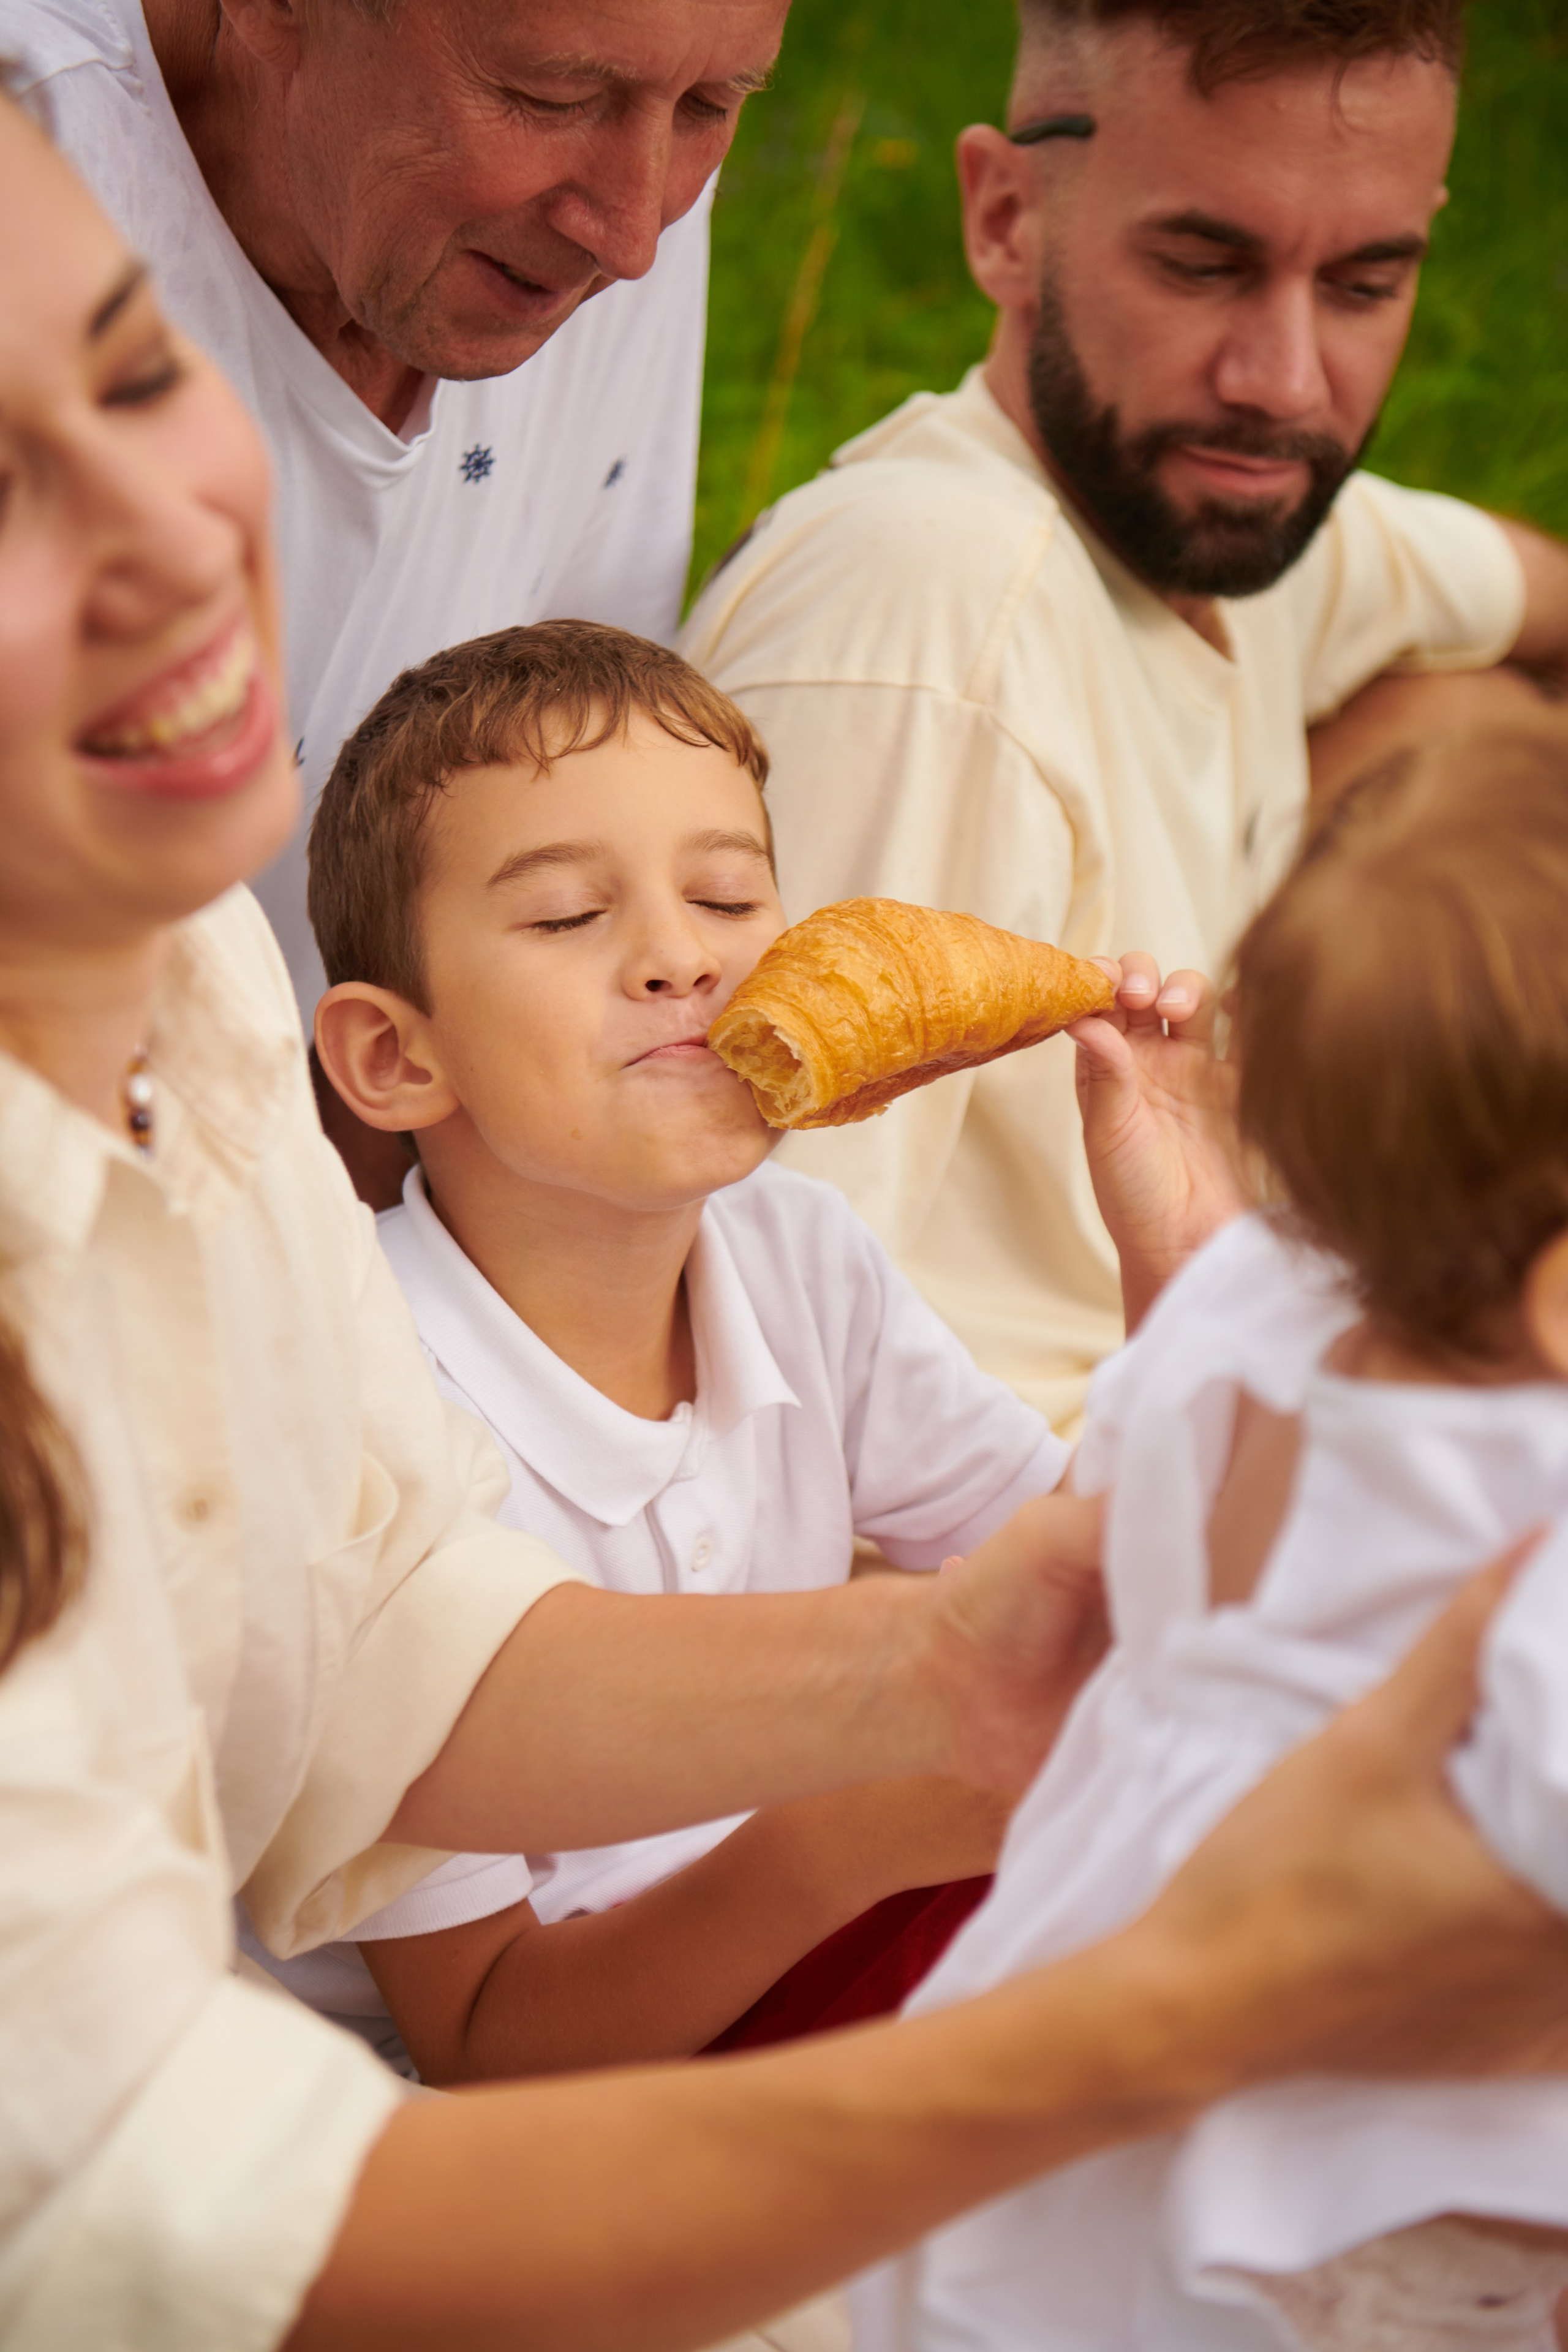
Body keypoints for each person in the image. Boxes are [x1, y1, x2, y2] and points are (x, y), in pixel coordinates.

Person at [9, 91, 1568, 2352]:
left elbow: (371, 1632)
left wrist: (964, 1655)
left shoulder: (202, 994)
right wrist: (1163, 2004)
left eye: (145, 372)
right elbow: (151, 2215)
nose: (164, 523)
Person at [680, 0, 1568, 1431]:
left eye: (1359, 284)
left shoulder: (1235, 522)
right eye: (1201, 265)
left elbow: (1521, 591)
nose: (1280, 383)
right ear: (1003, 219)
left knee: (1471, 722)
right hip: (1033, 1540)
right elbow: (731, 1368)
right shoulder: (937, 606)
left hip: (1229, 1392)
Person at [279, 616, 1082, 2079]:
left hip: (837, 1944)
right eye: (567, 917)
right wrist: (863, 1828)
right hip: (557, 2091)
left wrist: (1164, 1214)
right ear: (397, 1058)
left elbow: (1109, 1576)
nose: (676, 959)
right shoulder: (358, 1413)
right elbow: (484, 2038)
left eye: (725, 896)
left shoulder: (800, 1259)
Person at [858, 730, 1568, 2352]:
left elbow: (1158, 1466)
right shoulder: (1534, 1505)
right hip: (1364, 2202)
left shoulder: (1244, 1310)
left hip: (1057, 2062)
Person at [0, 0, 785, 1041]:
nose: (634, 237)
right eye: (551, 97)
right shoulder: (38, 182)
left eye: (709, 106)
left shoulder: (604, 194)